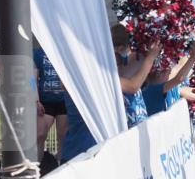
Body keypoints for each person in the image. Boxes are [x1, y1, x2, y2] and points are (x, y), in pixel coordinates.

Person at [60, 25, 163, 163]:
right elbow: (133, 85)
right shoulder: (91, 75)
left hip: (86, 151)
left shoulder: (80, 72)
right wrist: (150, 57)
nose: (119, 64)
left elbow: (130, 66)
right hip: (84, 154)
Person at [142, 45, 195, 117]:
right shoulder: (152, 89)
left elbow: (179, 88)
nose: (169, 72)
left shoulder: (164, 88)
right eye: (166, 70)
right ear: (159, 74)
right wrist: (193, 57)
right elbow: (179, 78)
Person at [33, 47, 68, 160]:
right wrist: (36, 100)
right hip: (45, 101)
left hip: (64, 100)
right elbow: (32, 79)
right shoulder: (39, 53)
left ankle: (61, 166)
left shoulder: (66, 49)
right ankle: (38, 168)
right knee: (40, 134)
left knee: (62, 136)